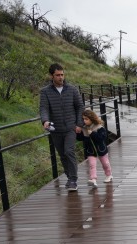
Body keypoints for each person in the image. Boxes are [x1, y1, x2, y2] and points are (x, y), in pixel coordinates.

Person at [40, 63, 84, 191]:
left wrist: (79, 124)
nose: (61, 77)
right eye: (58, 75)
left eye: (62, 75)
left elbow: (80, 106)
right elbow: (43, 108)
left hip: (71, 128)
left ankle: (73, 180)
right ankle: (69, 177)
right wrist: (45, 121)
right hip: (56, 130)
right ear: (52, 76)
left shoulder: (72, 89)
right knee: (62, 155)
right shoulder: (45, 92)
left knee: (69, 151)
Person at [77, 109, 113, 188]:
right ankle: (93, 179)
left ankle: (109, 175)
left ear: (91, 119)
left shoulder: (99, 127)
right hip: (90, 150)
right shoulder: (84, 128)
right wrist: (78, 133)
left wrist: (93, 133)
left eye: (86, 119)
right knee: (92, 165)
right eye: (83, 119)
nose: (84, 121)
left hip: (101, 149)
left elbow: (102, 138)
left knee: (105, 164)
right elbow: (80, 138)